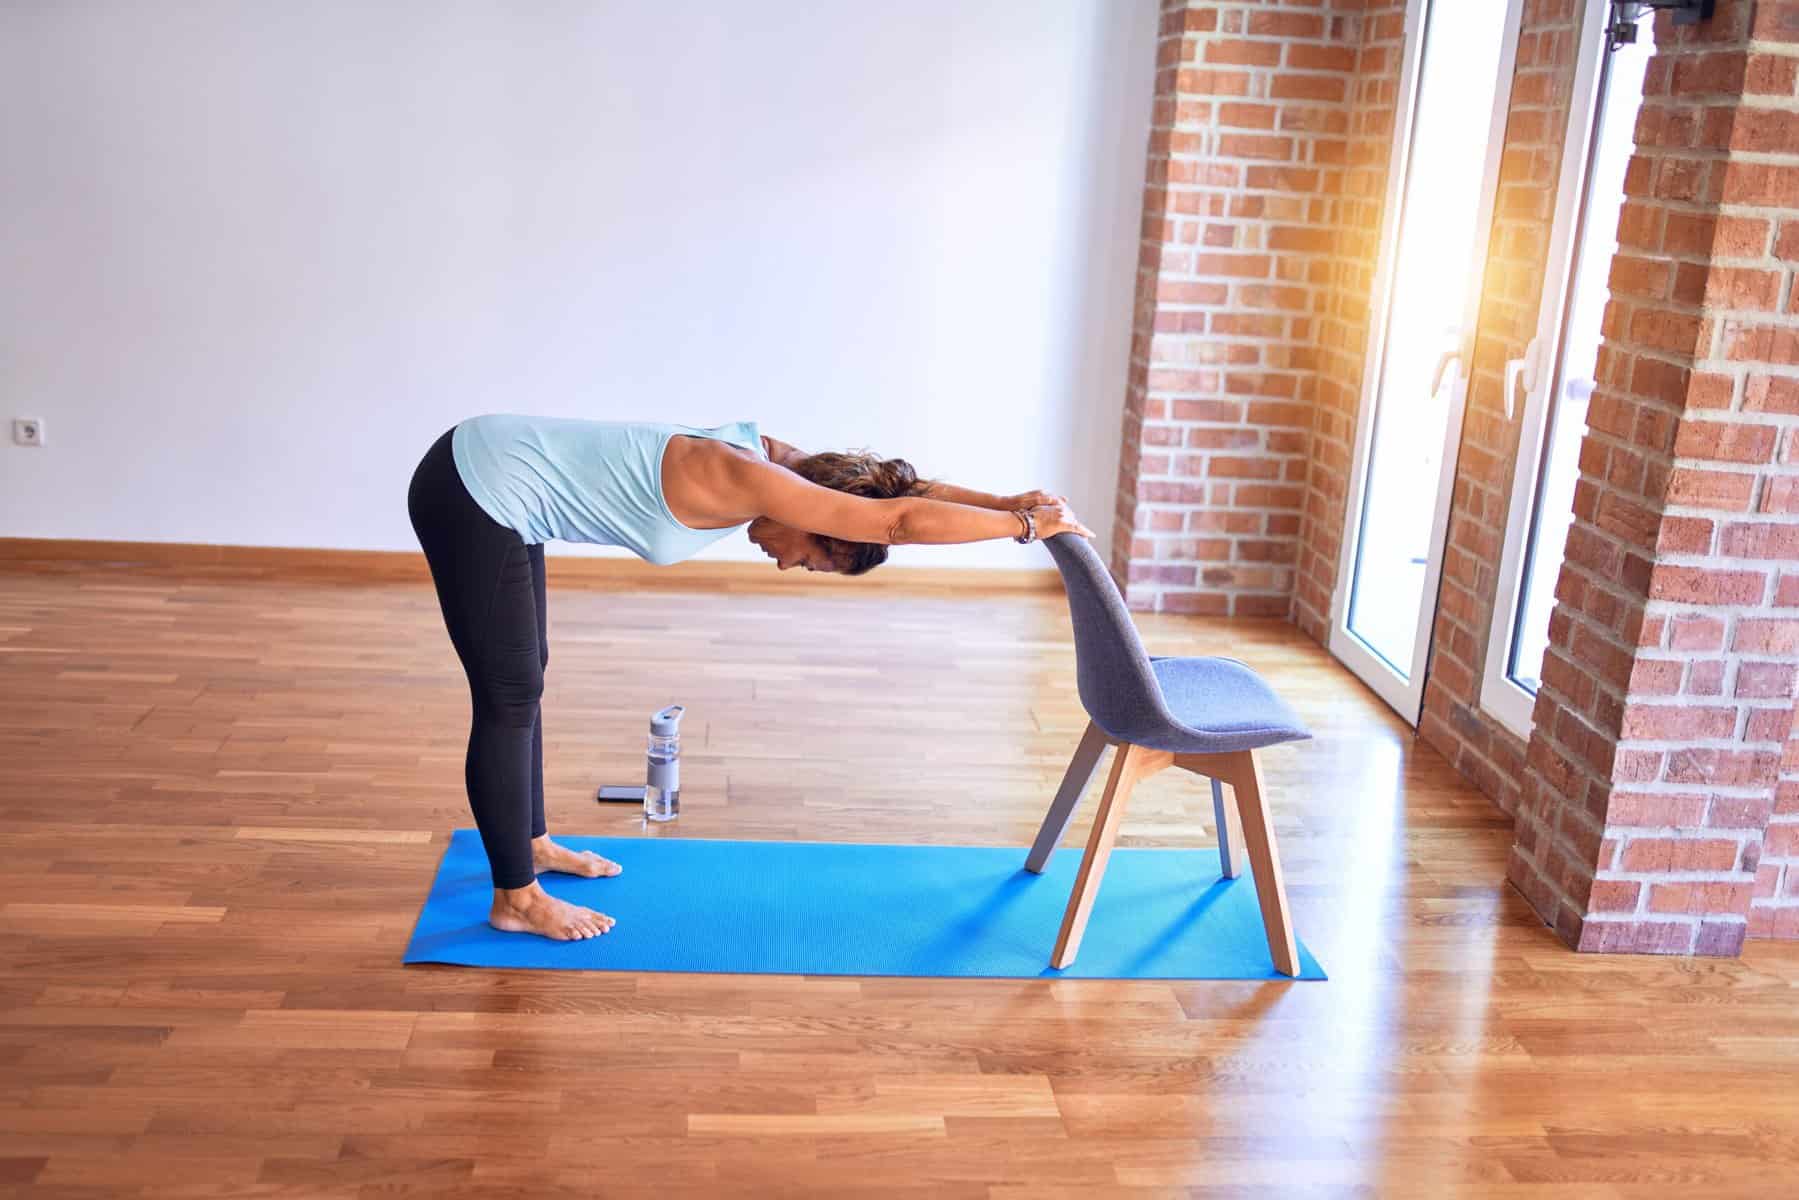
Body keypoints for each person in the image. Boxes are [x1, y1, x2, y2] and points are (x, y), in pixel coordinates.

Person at [406, 414, 1095, 942]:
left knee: (524, 680)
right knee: (508, 695)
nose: (785, 565)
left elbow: (896, 490)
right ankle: (516, 900)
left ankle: (527, 844)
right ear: (823, 526)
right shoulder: (745, 476)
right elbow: (900, 518)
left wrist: (1001, 498)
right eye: (808, 562)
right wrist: (1021, 525)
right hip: (472, 487)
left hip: (493, 473)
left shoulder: (782, 466)